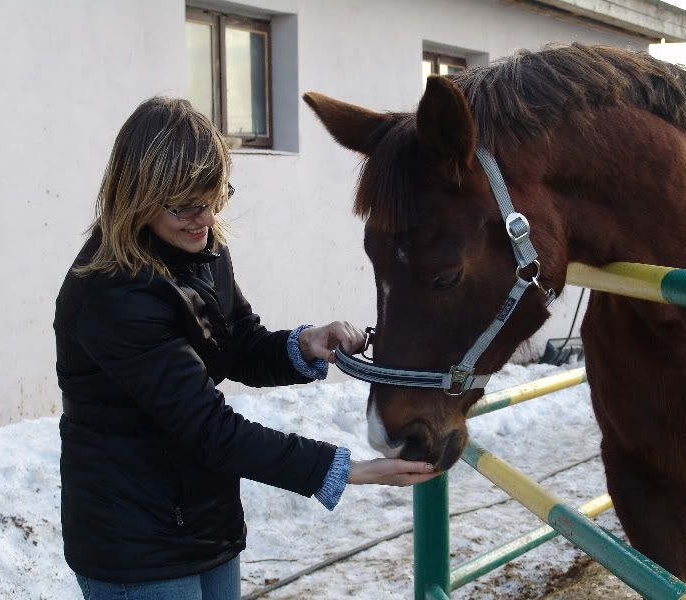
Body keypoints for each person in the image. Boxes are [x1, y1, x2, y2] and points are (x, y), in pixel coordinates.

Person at [53, 97, 438, 600]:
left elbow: (235, 343)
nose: (205, 217)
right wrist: (346, 471)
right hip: (135, 544)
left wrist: (303, 344)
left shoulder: (200, 248)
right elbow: (209, 428)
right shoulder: (112, 293)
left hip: (204, 521)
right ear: (138, 194)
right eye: (186, 205)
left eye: (215, 198)